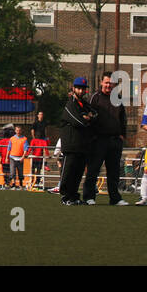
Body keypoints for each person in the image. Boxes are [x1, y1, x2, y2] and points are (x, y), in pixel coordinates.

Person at [83, 73, 128, 206]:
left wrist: (122, 135)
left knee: (114, 172)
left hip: (115, 141)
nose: (108, 85)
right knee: (93, 170)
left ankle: (115, 198)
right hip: (98, 140)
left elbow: (123, 118)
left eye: (111, 83)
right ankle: (89, 197)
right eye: (106, 82)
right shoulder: (94, 98)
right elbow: (87, 117)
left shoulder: (118, 98)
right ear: (101, 83)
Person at [58, 77, 95, 206]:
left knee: (78, 172)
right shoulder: (70, 104)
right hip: (71, 144)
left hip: (82, 145)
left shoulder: (84, 104)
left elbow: (95, 115)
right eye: (78, 88)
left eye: (83, 89)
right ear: (73, 88)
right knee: (69, 171)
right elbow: (78, 121)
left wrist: (87, 117)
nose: (81, 91)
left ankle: (74, 196)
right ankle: (65, 196)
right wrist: (86, 118)